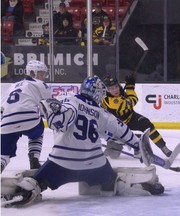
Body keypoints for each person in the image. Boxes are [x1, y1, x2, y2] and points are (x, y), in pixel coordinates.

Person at [1, 76, 164, 207]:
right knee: (111, 181)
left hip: (62, 162)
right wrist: (138, 145)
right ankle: (141, 185)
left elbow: (60, 120)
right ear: (98, 93)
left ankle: (26, 192)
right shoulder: (102, 113)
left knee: (39, 180)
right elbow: (123, 131)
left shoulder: (69, 100)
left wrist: (52, 114)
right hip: (94, 164)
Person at [101, 74, 173, 157]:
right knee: (113, 156)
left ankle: (163, 147)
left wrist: (128, 87)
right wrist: (130, 87)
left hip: (130, 118)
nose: (115, 90)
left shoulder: (119, 92)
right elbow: (133, 100)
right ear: (107, 90)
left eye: (116, 86)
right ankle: (117, 145)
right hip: (117, 127)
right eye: (112, 88)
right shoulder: (111, 101)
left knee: (146, 124)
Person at [1, 60, 52, 173]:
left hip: (6, 122)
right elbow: (49, 107)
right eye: (41, 73)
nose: (43, 76)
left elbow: (2, 108)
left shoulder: (13, 85)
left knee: (3, 155)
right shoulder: (41, 84)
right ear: (32, 72)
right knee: (38, 132)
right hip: (29, 119)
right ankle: (34, 160)